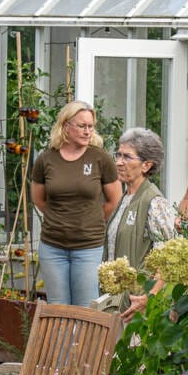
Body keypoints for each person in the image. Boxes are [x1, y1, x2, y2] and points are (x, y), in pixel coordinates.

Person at [31, 100, 121, 306]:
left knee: (85, 307)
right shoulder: (46, 159)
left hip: (88, 247)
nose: (88, 131)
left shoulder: (100, 159)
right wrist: (59, 217)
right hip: (52, 246)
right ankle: (61, 341)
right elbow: (38, 199)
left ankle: (82, 341)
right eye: (82, 126)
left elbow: (114, 199)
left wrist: (91, 220)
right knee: (58, 307)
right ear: (66, 126)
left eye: (91, 126)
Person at [103, 127, 177, 322]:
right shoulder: (125, 198)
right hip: (119, 303)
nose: (119, 162)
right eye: (118, 154)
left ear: (146, 165)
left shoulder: (155, 202)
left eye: (127, 157)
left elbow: (168, 259)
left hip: (139, 307)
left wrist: (149, 297)